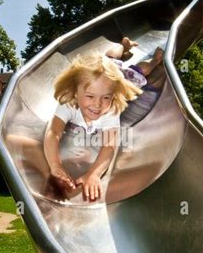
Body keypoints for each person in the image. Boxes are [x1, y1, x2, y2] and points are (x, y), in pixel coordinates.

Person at [44, 50, 142, 201]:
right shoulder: (69, 103)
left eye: (106, 97)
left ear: (113, 96)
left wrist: (94, 173)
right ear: (76, 92)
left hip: (118, 73)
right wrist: (55, 164)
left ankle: (154, 60)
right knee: (111, 55)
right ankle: (122, 46)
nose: (97, 104)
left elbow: (109, 146)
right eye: (90, 96)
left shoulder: (111, 110)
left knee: (142, 72)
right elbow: (53, 132)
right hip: (106, 72)